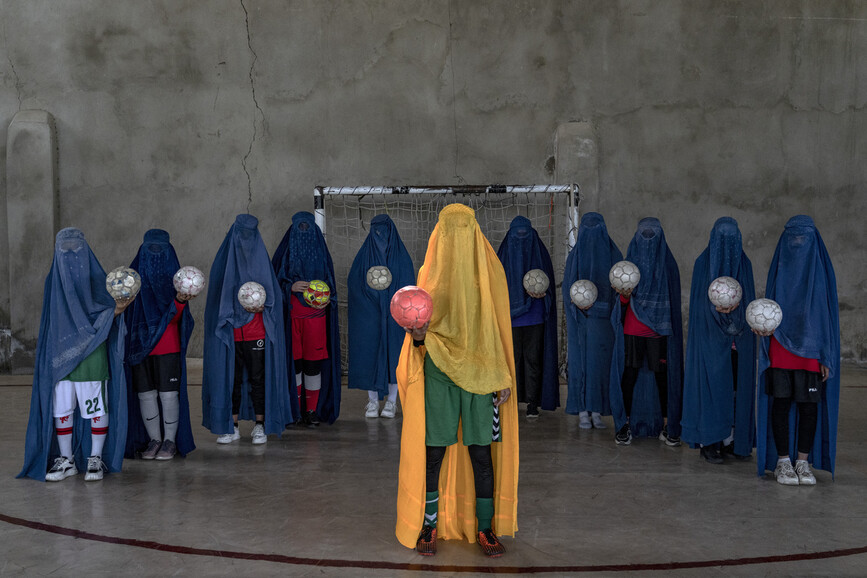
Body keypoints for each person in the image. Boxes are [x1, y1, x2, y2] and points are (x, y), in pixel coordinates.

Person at [395, 204, 518, 558]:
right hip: (439, 373)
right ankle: (429, 525)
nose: (457, 236)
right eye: (451, 229)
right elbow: (421, 337)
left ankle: (485, 528)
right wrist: (418, 336)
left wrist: (501, 375)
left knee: (481, 453)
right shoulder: (428, 276)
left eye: (464, 228)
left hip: (481, 377)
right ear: (440, 235)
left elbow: (496, 330)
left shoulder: (488, 273)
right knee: (435, 453)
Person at [19, 228, 132, 482]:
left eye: (76, 249)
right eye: (64, 248)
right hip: (61, 355)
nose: (70, 254)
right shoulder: (53, 281)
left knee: (95, 407)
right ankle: (67, 460)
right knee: (62, 409)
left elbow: (107, 310)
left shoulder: (97, 279)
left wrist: (117, 311)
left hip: (92, 354)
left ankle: (95, 457)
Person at [756, 215, 839, 486]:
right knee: (780, 404)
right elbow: (766, 311)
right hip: (780, 346)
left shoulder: (822, 274)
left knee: (808, 406)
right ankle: (782, 462)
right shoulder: (779, 269)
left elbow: (828, 317)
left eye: (804, 237)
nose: (798, 242)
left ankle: (802, 462)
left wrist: (826, 355)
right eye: (793, 237)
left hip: (811, 349)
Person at [202, 214, 293, 444]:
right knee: (231, 379)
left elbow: (274, 297)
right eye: (241, 234)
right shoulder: (223, 263)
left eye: (250, 234)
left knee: (258, 379)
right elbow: (216, 299)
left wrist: (266, 306)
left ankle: (260, 425)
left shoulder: (262, 262)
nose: (245, 240)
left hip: (257, 333)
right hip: (230, 334)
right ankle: (231, 426)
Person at [681, 218, 756, 464]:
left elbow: (750, 303)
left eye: (732, 239)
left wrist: (736, 311)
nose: (727, 245)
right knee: (711, 390)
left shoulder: (744, 264)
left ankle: (731, 439)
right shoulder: (703, 264)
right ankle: (709, 440)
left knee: (735, 390)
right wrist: (717, 310)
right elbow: (699, 308)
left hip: (738, 341)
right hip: (710, 342)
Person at [609, 217, 683, 446]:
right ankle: (625, 425)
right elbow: (620, 303)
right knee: (629, 376)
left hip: (659, 331)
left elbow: (673, 299)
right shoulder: (627, 265)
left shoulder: (669, 265)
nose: (648, 239)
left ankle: (667, 426)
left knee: (663, 377)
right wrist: (624, 295)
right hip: (633, 329)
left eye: (653, 235)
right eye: (644, 235)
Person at [124, 229, 197, 461]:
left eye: (160, 249)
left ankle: (170, 442)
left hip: (168, 345)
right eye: (150, 249)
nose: (155, 254)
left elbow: (176, 318)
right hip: (139, 346)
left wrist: (179, 302)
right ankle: (154, 439)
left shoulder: (178, 281)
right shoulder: (132, 281)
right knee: (145, 394)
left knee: (168, 395)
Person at [272, 211, 341, 427]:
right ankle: (294, 410)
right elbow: (273, 285)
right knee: (295, 365)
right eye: (299, 228)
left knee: (313, 365)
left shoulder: (321, 253)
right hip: (291, 320)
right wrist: (289, 287)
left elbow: (332, 287)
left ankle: (311, 411)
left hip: (316, 320)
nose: (303, 233)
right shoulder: (284, 254)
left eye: (308, 228)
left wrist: (327, 297)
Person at [347, 214, 414, 419]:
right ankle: (373, 401)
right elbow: (354, 284)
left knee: (393, 356)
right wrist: (372, 299)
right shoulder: (364, 256)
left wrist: (392, 302)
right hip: (370, 317)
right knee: (370, 355)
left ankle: (392, 402)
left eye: (384, 231)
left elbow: (408, 284)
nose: (380, 235)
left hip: (395, 318)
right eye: (376, 231)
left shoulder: (402, 258)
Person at [563, 212, 622, 429]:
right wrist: (576, 304)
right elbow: (567, 289)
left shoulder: (614, 255)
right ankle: (581, 411)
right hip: (580, 322)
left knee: (599, 366)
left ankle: (597, 410)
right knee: (580, 365)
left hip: (604, 323)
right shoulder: (575, 257)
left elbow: (621, 289)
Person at [496, 216, 559, 418]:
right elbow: (495, 286)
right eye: (517, 234)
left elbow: (549, 284)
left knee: (533, 361)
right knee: (510, 361)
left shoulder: (540, 254)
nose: (521, 238)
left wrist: (544, 294)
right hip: (510, 319)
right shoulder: (502, 256)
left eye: (525, 234)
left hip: (535, 317)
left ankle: (533, 403)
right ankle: (510, 402)